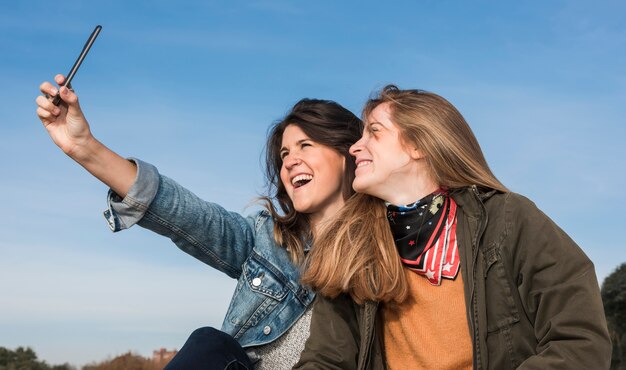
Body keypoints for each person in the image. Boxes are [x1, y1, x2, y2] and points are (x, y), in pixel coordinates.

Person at [35, 74, 363, 370]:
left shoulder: (389, 251)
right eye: (284, 155)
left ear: (349, 152)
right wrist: (83, 146)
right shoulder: (268, 241)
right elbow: (185, 214)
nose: (291, 161)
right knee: (210, 344)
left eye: (306, 145)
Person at [295, 85, 611, 369]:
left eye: (374, 132)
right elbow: (324, 361)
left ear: (419, 144)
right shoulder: (349, 247)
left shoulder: (508, 218)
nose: (354, 148)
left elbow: (579, 341)